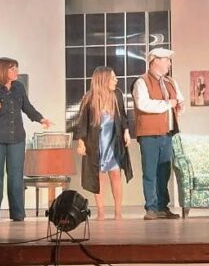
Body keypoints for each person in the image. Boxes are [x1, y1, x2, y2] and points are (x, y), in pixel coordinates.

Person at [0, 57, 52, 222]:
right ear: (3, 70)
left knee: (16, 175)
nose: (16, 71)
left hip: (16, 136)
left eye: (16, 68)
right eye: (12, 68)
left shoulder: (18, 87)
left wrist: (40, 118)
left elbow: (27, 107)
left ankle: (18, 214)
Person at [73, 66, 133, 220]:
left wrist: (126, 132)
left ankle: (118, 212)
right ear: (104, 80)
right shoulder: (89, 98)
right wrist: (81, 143)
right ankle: (101, 212)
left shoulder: (117, 95)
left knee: (116, 175)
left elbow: (123, 116)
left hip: (114, 142)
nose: (116, 80)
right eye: (113, 78)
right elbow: (82, 123)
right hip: (97, 143)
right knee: (98, 177)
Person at [132, 48, 184, 220]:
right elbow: (143, 104)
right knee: (150, 172)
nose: (169, 63)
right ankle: (151, 208)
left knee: (164, 172)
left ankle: (162, 206)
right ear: (155, 61)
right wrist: (168, 104)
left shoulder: (170, 82)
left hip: (167, 134)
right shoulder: (142, 82)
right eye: (166, 59)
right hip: (149, 134)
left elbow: (179, 99)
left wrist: (179, 106)